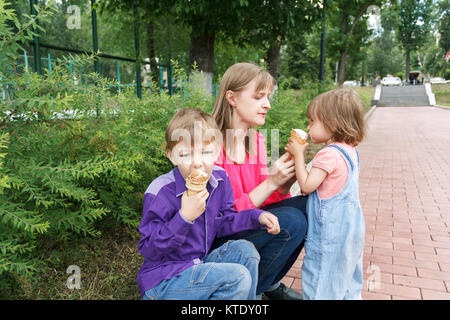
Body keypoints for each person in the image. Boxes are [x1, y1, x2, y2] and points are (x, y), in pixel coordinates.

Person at [137, 108, 281, 300]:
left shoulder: (220, 180)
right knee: (236, 278)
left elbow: (225, 221)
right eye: (186, 154)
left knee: (246, 252)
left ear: (217, 151)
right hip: (163, 280)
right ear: (171, 155)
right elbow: (149, 248)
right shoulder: (160, 192)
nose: (198, 163)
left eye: (206, 152)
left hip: (198, 264)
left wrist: (257, 216)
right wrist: (184, 218)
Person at [211, 62, 308, 300]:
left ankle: (268, 282)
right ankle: (249, 292)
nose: (267, 104)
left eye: (268, 96)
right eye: (258, 97)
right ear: (232, 98)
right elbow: (221, 217)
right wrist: (271, 182)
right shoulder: (208, 144)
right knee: (292, 221)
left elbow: (268, 198)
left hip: (249, 221)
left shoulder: (256, 140)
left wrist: (285, 180)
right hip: (218, 236)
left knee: (311, 206)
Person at [285, 87, 366, 300]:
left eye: (312, 122)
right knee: (346, 280)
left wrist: (298, 155)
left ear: (333, 124)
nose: (308, 127)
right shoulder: (350, 152)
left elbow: (307, 186)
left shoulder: (328, 154)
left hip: (330, 234)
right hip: (352, 230)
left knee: (320, 281)